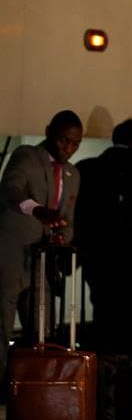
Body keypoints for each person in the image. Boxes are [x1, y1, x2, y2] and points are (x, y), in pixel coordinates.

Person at [75, 118, 132, 420]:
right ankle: (122, 386)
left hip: (97, 257)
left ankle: (102, 379)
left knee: (103, 310)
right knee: (131, 322)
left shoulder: (88, 168)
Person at [0, 110, 83, 384]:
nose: (68, 148)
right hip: (11, 253)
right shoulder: (27, 155)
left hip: (42, 259)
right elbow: (12, 189)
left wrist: (63, 237)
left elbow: (68, 218)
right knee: (2, 323)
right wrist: (37, 210)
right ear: (48, 132)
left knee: (42, 327)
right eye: (63, 140)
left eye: (75, 144)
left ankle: (34, 387)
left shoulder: (73, 173)